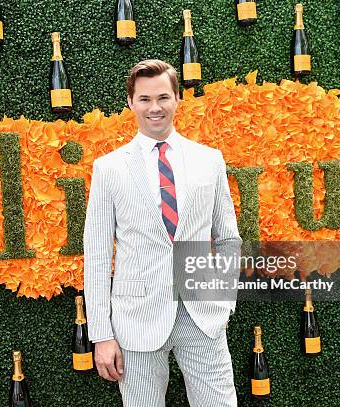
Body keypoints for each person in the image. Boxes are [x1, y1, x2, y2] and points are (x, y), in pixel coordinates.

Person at [84, 59, 241, 407]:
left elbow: (228, 238)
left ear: (176, 99)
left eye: (163, 97)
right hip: (135, 318)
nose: (154, 108)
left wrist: (224, 301)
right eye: (144, 99)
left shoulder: (209, 160)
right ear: (130, 103)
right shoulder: (109, 169)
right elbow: (96, 256)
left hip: (202, 315)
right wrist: (101, 335)